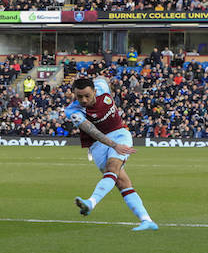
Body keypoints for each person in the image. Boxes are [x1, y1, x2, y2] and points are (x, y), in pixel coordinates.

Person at [65, 77, 158, 231]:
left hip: (120, 135)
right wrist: (114, 145)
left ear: (95, 91)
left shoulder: (102, 87)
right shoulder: (73, 111)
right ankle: (146, 220)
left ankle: (91, 202)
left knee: (112, 168)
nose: (83, 99)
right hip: (97, 144)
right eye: (79, 96)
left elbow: (102, 79)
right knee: (122, 183)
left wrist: (116, 145)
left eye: (87, 95)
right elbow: (91, 131)